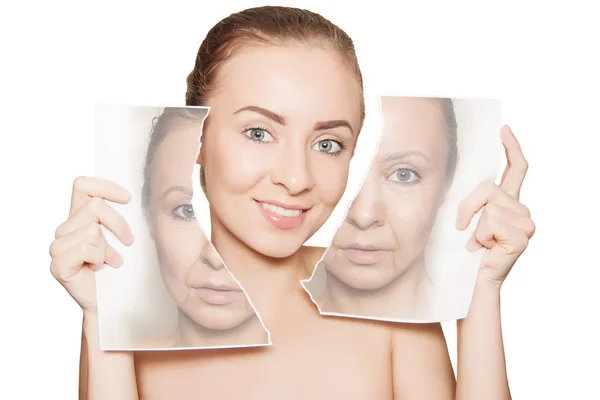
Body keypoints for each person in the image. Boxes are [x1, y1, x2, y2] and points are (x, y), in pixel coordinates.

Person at [49, 6, 535, 400]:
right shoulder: (137, 315)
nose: (297, 178)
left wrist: (480, 286)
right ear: (194, 137)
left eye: (328, 144)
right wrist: (102, 309)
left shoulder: (382, 302)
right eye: (259, 133)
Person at [311, 95, 460, 320]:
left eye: (404, 174)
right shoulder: (262, 328)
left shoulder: (467, 329)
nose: (364, 216)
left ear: (448, 181)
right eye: (330, 149)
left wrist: (485, 289)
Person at [137, 107, 269, 349]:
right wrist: (95, 312)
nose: (215, 256)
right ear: (149, 217)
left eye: (246, 212)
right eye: (188, 211)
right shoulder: (117, 364)